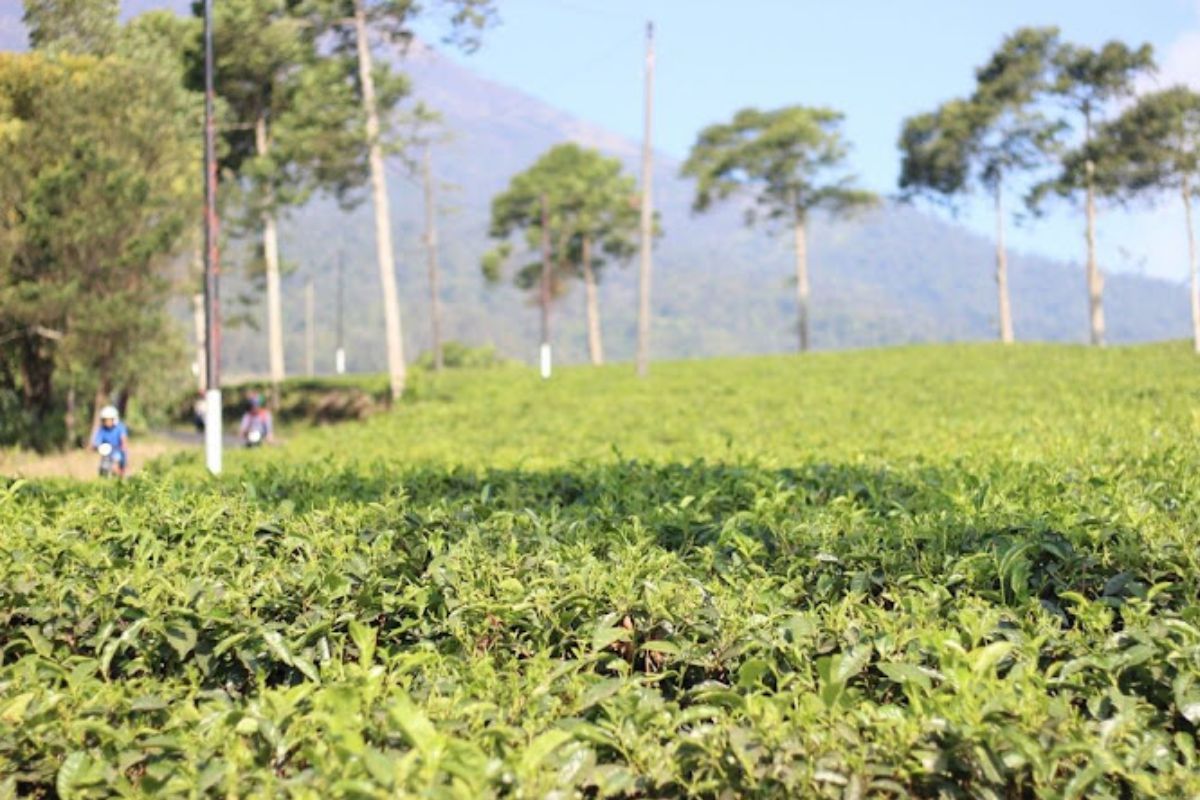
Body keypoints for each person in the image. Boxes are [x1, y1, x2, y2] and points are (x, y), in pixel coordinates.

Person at [91, 405, 129, 477]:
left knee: (115, 468)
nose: (106, 422)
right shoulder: (102, 429)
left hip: (118, 451)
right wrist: (96, 446)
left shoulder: (120, 427)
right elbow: (96, 441)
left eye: (108, 419)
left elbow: (124, 439)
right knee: (102, 469)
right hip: (107, 453)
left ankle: (122, 478)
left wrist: (123, 446)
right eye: (104, 420)